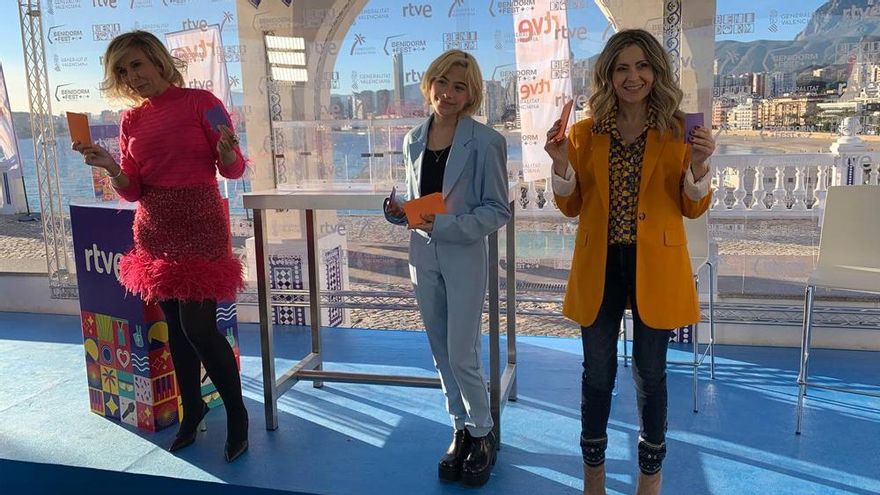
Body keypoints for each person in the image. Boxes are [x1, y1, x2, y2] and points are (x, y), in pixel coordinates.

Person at [544, 29, 715, 495]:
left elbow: (691, 206)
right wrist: (560, 165)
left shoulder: (679, 130)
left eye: (642, 66)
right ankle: (594, 476)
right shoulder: (582, 133)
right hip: (598, 266)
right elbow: (571, 205)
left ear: (656, 72)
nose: (632, 76)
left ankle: (650, 480)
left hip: (655, 268)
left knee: (650, 374)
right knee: (596, 373)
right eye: (622, 67)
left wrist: (699, 167)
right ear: (608, 75)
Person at [73, 31, 249, 463]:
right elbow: (132, 190)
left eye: (137, 65)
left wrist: (227, 151)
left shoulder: (200, 101)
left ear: (157, 60)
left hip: (200, 221)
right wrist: (111, 166)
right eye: (122, 70)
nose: (131, 76)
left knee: (200, 328)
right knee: (173, 328)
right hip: (154, 226)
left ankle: (238, 415)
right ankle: (192, 410)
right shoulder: (130, 120)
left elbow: (233, 169)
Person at [383, 49, 510, 487]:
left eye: (460, 86)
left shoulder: (487, 141)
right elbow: (418, 203)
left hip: (464, 255)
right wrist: (400, 212)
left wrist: (448, 224)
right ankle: (459, 426)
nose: (449, 93)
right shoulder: (412, 139)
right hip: (423, 255)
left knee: (462, 351)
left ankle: (482, 431)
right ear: (430, 83)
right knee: (439, 352)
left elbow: (497, 210)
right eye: (443, 82)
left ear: (472, 94)